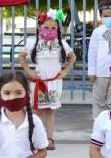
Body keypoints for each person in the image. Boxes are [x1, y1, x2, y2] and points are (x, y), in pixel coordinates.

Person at [18, 9, 76, 150]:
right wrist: (29, 71)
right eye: (46, 27)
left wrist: (65, 71)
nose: (50, 30)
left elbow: (72, 57)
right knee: (37, 111)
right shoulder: (33, 42)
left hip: (54, 82)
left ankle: (49, 139)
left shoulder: (61, 43)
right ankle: (36, 139)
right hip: (39, 83)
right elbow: (21, 57)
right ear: (39, 28)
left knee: (50, 111)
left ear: (58, 29)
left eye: (53, 28)